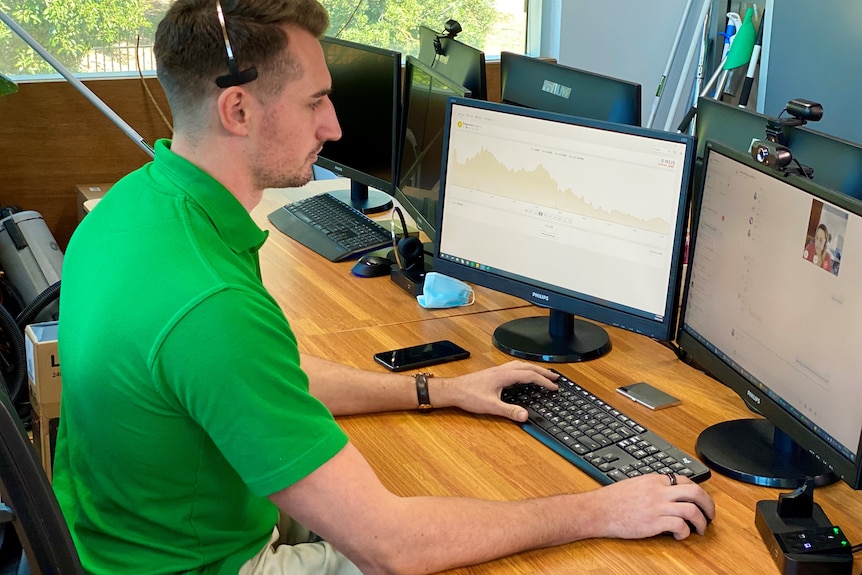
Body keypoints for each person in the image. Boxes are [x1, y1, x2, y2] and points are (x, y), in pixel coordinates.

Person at [52, 1, 715, 573]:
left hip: (127, 541)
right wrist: (600, 508)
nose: (333, 126)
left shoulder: (132, 209)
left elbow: (270, 379)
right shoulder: (209, 305)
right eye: (315, 101)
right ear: (238, 109)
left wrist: (437, 390)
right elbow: (388, 547)